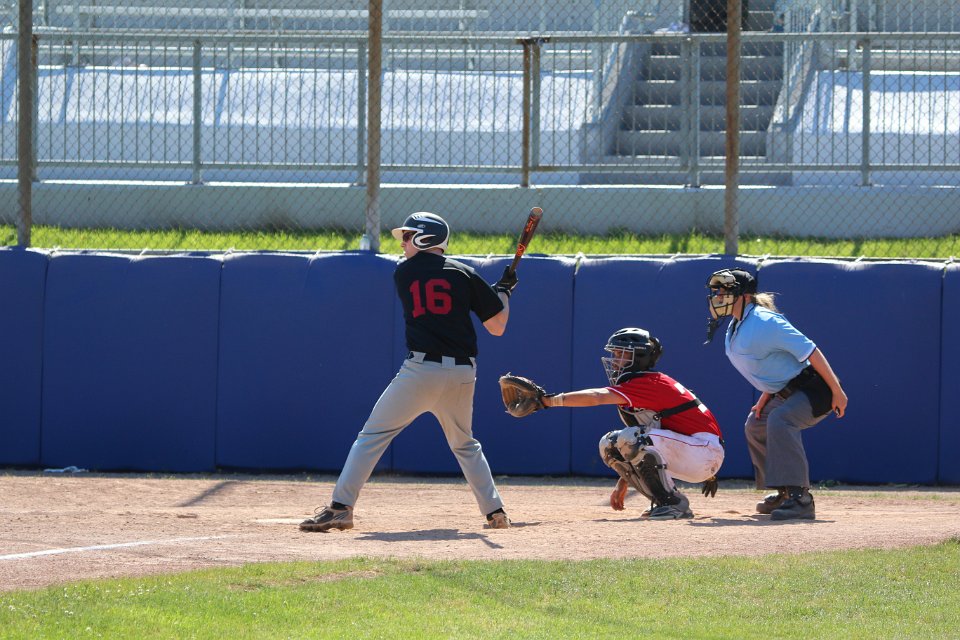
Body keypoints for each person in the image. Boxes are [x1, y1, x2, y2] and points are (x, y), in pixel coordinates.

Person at [300, 211, 517, 532]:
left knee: (371, 437)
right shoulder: (465, 273)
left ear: (425, 238)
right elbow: (497, 326)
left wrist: (494, 293)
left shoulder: (404, 273)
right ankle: (495, 512)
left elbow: (437, 280)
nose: (402, 243)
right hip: (462, 374)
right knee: (465, 445)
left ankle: (341, 508)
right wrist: (503, 293)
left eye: (407, 236)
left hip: (421, 371)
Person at [514, 327, 725, 520]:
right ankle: (664, 500)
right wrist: (625, 480)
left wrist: (547, 401)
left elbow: (597, 396)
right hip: (695, 452)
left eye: (620, 354)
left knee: (631, 438)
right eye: (614, 353)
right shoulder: (641, 383)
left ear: (639, 357)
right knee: (610, 444)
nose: (614, 360)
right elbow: (652, 442)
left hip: (704, 452)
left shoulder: (649, 382)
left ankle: (675, 504)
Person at [705, 268, 848, 521]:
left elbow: (811, 351)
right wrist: (766, 395)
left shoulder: (765, 321)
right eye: (716, 291)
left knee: (781, 420)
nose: (718, 296)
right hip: (785, 391)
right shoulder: (737, 324)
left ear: (744, 296)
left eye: (725, 291)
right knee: (756, 424)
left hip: (815, 389)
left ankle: (800, 498)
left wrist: (837, 390)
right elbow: (769, 364)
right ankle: (784, 492)